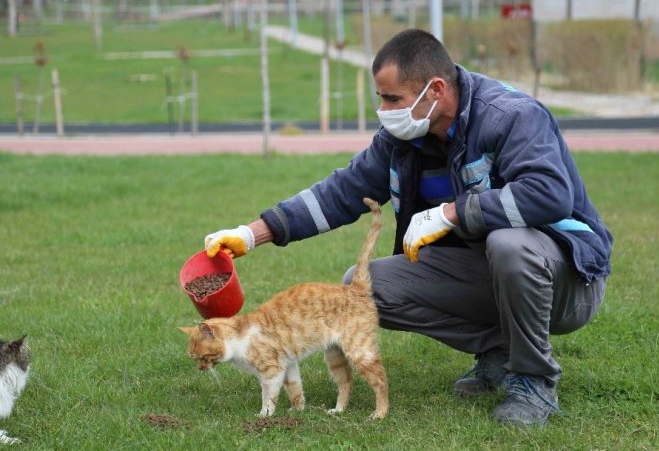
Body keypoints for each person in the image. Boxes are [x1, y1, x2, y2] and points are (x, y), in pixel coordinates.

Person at [204, 28, 613, 427]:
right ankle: (501, 352)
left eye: (392, 98)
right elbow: (342, 191)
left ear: (434, 90)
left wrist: (453, 213)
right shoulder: (403, 138)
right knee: (364, 288)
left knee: (509, 244)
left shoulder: (510, 116)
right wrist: (252, 234)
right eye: (380, 97)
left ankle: (534, 381)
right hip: (488, 274)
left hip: (567, 280)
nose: (383, 110)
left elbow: (550, 194)